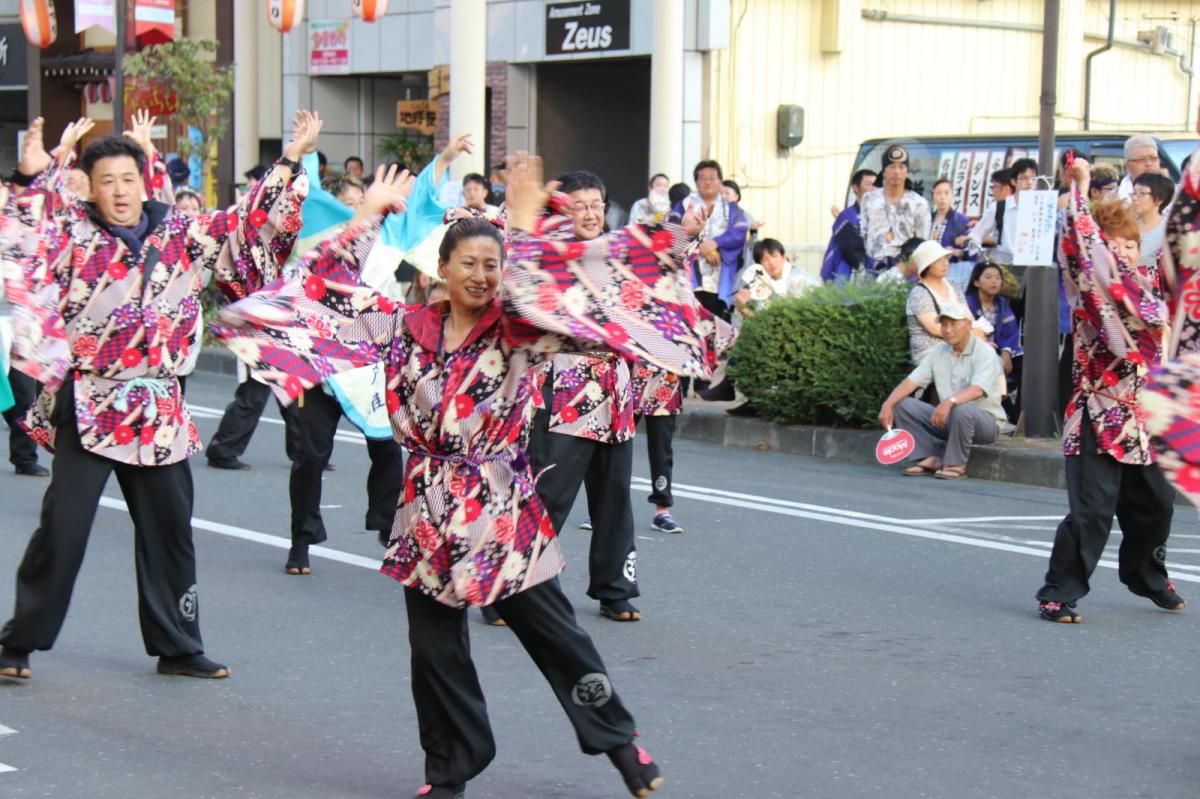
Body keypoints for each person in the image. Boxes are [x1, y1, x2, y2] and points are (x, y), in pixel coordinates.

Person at [212, 153, 719, 799]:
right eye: (469, 263)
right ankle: (449, 768)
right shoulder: (401, 327)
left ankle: (621, 744)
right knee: (434, 652)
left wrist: (525, 222)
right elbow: (319, 290)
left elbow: (554, 292)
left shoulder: (516, 330)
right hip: (424, 508)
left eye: (492, 265)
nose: (482, 275)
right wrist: (368, 216)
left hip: (499, 506)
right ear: (442, 269)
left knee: (555, 635)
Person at [0, 109, 315, 681]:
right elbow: (20, 245)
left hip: (158, 408)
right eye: (107, 182)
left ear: (145, 180)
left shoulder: (183, 232)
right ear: (91, 189)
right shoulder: (70, 233)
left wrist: (290, 161)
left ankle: (178, 645)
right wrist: (27, 180)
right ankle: (18, 642)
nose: (119, 191)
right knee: (63, 528)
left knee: (170, 531)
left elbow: (249, 227)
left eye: (128, 178)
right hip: (92, 400)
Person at [1036, 159, 1183, 623]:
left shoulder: (1150, 292)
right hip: (1098, 415)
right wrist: (1080, 190)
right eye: (1112, 244)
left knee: (1157, 506)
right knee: (1092, 512)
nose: (1122, 251)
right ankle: (1058, 592)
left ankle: (1147, 576)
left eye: (1130, 244)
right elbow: (1082, 248)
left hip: (1143, 418)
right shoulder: (1093, 292)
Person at [526, 170, 647, 623]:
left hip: (614, 389)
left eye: (597, 204)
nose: (591, 213)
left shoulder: (616, 256)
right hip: (565, 387)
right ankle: (514, 587)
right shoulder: (545, 256)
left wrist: (688, 236)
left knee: (614, 496)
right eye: (579, 205)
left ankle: (615, 589)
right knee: (550, 494)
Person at [877, 305, 1005, 480]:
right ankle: (928, 457)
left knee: (962, 408)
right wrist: (887, 404)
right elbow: (911, 381)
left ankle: (956, 464)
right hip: (949, 418)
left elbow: (977, 390)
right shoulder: (939, 351)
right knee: (901, 404)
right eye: (944, 324)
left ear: (968, 325)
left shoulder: (985, 352)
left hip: (984, 424)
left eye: (953, 324)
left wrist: (949, 402)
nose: (948, 330)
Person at [674, 160, 748, 319]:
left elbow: (740, 230)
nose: (707, 182)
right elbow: (672, 230)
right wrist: (700, 248)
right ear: (695, 182)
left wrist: (716, 243)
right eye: (702, 178)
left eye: (712, 177)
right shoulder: (684, 206)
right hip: (689, 281)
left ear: (720, 182)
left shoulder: (731, 209)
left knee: (719, 325)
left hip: (719, 280)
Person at [965, 262, 1022, 422]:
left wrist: (1006, 352)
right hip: (975, 349)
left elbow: (1011, 331)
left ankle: (1020, 410)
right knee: (994, 364)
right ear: (976, 282)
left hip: (1000, 349)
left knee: (1025, 365)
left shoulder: (1003, 303)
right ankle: (1010, 414)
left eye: (998, 278)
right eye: (988, 277)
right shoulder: (967, 303)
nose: (994, 281)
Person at [860, 145, 931, 271]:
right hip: (872, 269)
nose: (897, 172)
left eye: (901, 167)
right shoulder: (869, 199)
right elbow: (863, 234)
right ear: (883, 171)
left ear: (907, 171)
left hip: (905, 271)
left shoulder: (919, 203)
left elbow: (923, 243)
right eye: (892, 167)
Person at [906, 241, 968, 364]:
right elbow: (936, 329)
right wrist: (969, 336)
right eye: (938, 260)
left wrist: (976, 334)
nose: (945, 263)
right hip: (930, 350)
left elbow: (968, 316)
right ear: (927, 267)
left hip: (959, 342)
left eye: (945, 258)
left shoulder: (953, 285)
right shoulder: (919, 293)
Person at [969, 159, 1038, 265]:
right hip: (1003, 266)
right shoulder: (999, 207)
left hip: (1032, 265)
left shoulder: (1041, 207)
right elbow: (976, 234)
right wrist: (980, 255)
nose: (1029, 183)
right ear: (1013, 181)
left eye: (1033, 179)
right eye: (1024, 178)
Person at [820, 168, 875, 283]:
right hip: (850, 277)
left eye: (877, 185)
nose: (874, 189)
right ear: (856, 188)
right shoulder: (845, 217)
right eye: (869, 184)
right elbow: (853, 248)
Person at [929, 178, 973, 290]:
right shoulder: (927, 218)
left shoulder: (961, 220)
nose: (942, 197)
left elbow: (971, 252)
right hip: (929, 269)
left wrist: (955, 252)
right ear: (933, 196)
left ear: (952, 195)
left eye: (946, 193)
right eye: (938, 193)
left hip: (952, 270)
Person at [1131, 172, 1175, 267]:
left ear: (1159, 199)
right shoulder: (1127, 224)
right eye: (1134, 192)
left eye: (1142, 193)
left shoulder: (1168, 230)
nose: (1134, 198)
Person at [1117, 134, 1161, 201]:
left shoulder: (1173, 195)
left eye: (1153, 158)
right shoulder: (1115, 199)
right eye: (1141, 159)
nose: (1149, 163)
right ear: (1128, 166)